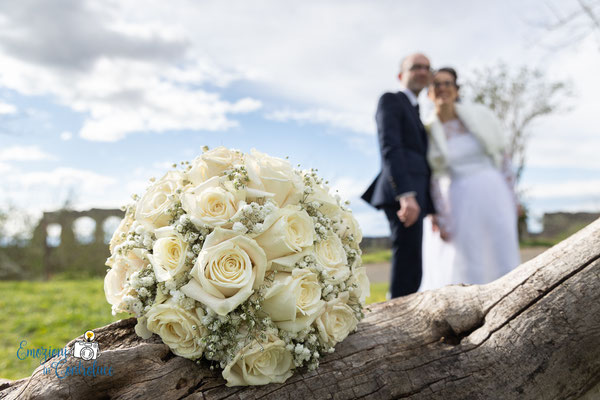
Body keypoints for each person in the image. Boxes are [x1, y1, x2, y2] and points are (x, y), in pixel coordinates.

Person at [420, 67, 520, 290]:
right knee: (467, 253)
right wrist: (440, 217)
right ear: (429, 93)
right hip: (457, 198)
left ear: (457, 90)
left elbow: (503, 159)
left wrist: (513, 198)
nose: (443, 88)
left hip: (493, 191)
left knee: (501, 246)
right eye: (437, 84)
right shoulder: (427, 129)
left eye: (448, 84)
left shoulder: (480, 116)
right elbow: (434, 177)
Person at [362, 53, 435, 297]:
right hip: (403, 195)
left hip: (417, 196)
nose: (423, 71)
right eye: (416, 67)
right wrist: (406, 194)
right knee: (407, 262)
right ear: (401, 75)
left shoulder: (416, 110)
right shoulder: (391, 100)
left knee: (413, 261)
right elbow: (390, 147)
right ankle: (397, 318)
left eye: (426, 68)